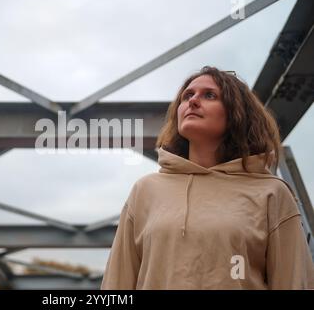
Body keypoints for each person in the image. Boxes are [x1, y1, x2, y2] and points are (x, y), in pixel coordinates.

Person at [101, 66, 314, 289]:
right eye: (187, 95)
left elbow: (294, 282)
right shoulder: (145, 191)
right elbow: (116, 284)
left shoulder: (272, 193)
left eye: (209, 95)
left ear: (236, 113)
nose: (192, 101)